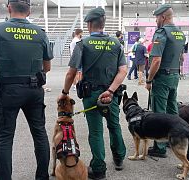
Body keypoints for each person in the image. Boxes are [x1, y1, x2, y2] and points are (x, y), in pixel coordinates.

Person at [0, 0, 53, 179]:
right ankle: (41, 177)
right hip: (34, 89)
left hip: (8, 90)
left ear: (9, 8)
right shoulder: (40, 33)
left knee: (5, 139)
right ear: (29, 11)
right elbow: (47, 67)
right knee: (39, 134)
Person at [58, 7, 127, 179]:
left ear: (89, 24)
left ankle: (99, 169)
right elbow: (123, 70)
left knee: (96, 132)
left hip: (91, 95)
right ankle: (119, 158)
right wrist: (110, 90)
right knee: (114, 125)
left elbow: (71, 73)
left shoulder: (83, 44)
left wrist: (64, 92)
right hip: (111, 95)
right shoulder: (116, 43)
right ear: (103, 24)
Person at [145, 4, 186, 158]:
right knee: (172, 109)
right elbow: (181, 57)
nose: (156, 20)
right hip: (174, 75)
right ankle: (174, 139)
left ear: (162, 17)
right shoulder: (180, 34)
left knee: (159, 111)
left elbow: (156, 60)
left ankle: (160, 147)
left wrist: (149, 79)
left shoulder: (161, 33)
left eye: (156, 17)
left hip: (162, 77)